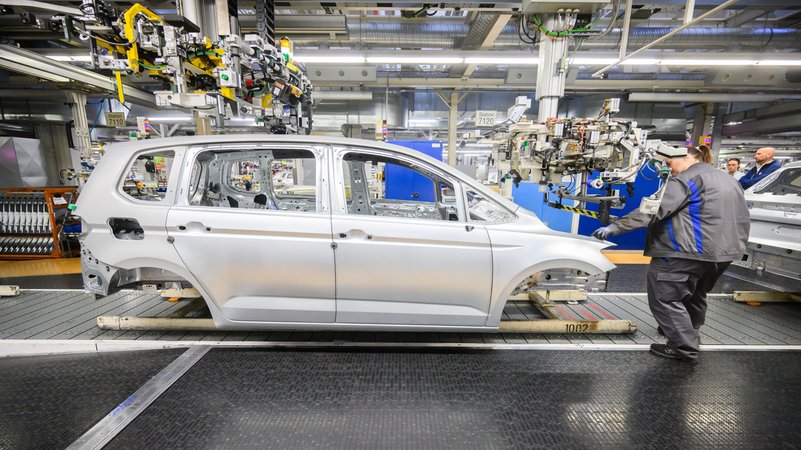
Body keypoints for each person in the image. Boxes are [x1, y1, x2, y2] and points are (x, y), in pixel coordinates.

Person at [592, 146, 750, 363]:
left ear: (685, 157)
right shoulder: (728, 179)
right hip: (724, 252)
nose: (668, 169)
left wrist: (616, 227)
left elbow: (653, 210)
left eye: (668, 164)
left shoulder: (685, 180)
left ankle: (683, 347)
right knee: (694, 294)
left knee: (665, 297)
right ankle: (690, 334)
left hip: (684, 250)